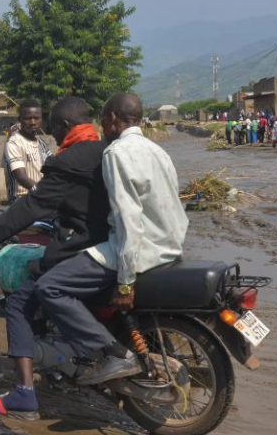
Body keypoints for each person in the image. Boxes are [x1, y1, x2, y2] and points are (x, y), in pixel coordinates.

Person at [0, 96, 110, 420]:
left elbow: (31, 205)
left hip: (76, 245)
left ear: (66, 126)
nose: (51, 132)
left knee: (18, 302)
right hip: (109, 243)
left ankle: (25, 393)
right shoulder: (107, 152)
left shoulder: (66, 159)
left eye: (54, 126)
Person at [67, 93, 188, 386]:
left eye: (103, 121)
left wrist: (125, 281)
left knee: (51, 286)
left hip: (139, 252)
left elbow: (127, 219)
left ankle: (112, 355)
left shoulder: (117, 153)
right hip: (170, 250)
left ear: (110, 120)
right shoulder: (158, 151)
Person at [3, 99, 52, 202]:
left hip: (40, 197)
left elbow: (54, 165)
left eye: (36, 118)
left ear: (42, 120)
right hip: (22, 200)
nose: (33, 122)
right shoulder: (14, 143)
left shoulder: (41, 143)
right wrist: (45, 193)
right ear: (20, 120)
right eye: (27, 118)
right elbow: (22, 178)